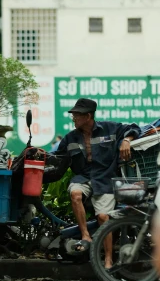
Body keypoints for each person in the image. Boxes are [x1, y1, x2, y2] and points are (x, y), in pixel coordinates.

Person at [47, 98, 140, 266]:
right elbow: (56, 157)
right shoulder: (70, 138)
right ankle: (85, 236)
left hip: (105, 179)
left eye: (76, 115)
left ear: (88, 116)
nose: (73, 119)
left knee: (104, 218)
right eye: (73, 115)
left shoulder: (110, 128)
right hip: (83, 178)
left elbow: (134, 127)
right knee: (75, 193)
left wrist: (126, 140)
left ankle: (108, 259)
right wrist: (41, 156)